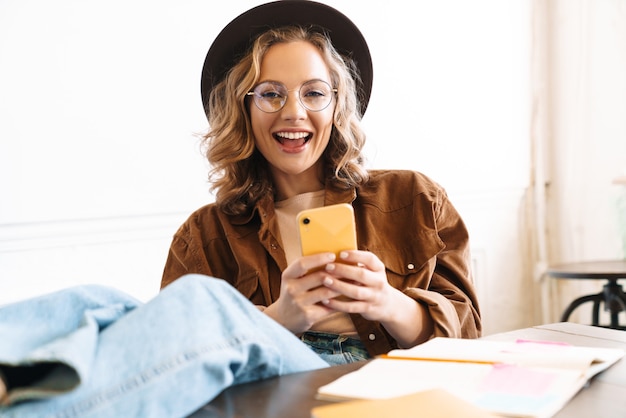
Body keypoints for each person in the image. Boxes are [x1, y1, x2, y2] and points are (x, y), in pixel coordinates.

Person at [0, 1, 480, 417]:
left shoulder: (413, 198)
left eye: (314, 92)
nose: (293, 112)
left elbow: (472, 335)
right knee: (95, 301)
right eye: (271, 93)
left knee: (205, 306)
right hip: (272, 386)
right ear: (244, 108)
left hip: (375, 383)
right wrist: (279, 318)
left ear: (337, 105)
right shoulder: (205, 233)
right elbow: (175, 357)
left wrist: (387, 303)